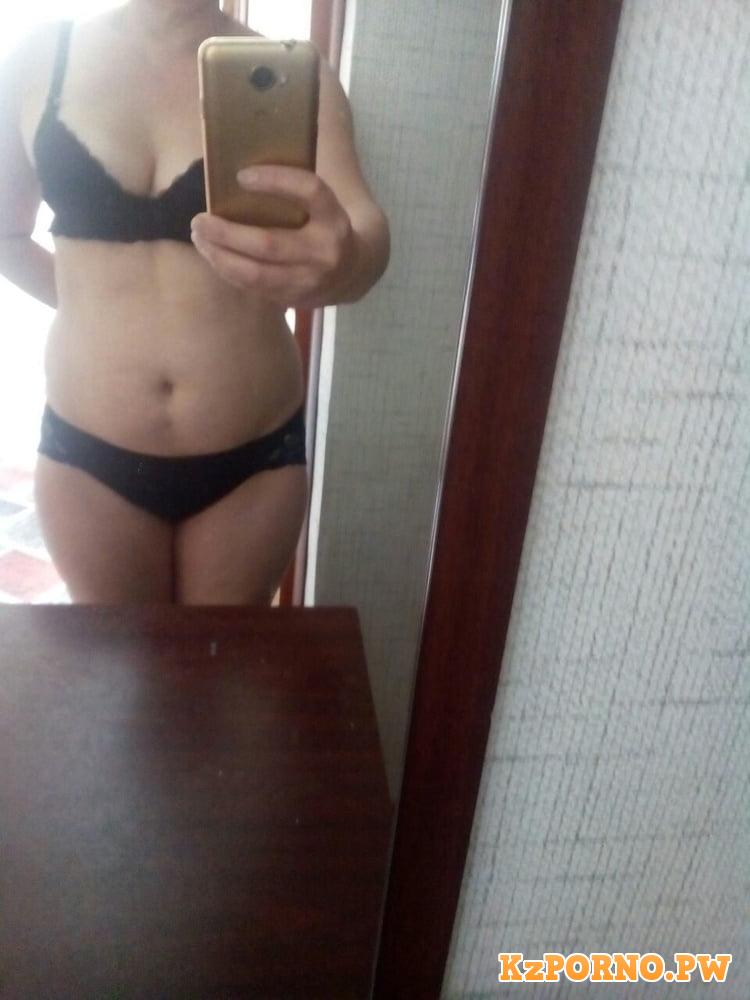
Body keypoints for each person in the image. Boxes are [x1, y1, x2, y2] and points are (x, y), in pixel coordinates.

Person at [0, 0, 390, 604]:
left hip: (251, 461)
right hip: (89, 456)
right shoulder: (38, 56)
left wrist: (345, 265)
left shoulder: (295, 78)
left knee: (222, 662)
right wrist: (95, 311)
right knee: (116, 660)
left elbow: (366, 232)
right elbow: (6, 233)